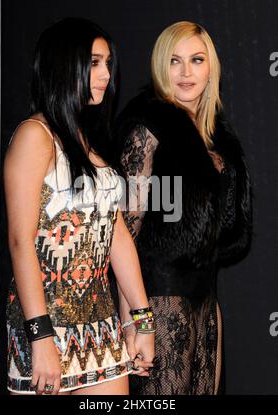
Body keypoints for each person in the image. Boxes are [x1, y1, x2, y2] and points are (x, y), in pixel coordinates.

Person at [4, 17, 154, 396]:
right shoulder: (33, 137)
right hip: (44, 324)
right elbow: (21, 242)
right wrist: (40, 336)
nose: (106, 74)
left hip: (101, 327)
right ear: (63, 65)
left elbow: (116, 232)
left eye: (107, 63)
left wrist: (141, 319)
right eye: (93, 62)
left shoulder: (90, 138)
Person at [114, 21, 252, 394]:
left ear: (212, 68)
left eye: (196, 59)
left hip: (205, 300)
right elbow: (121, 233)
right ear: (161, 66)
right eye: (175, 61)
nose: (186, 72)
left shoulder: (218, 137)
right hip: (159, 301)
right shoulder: (147, 128)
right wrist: (132, 322)